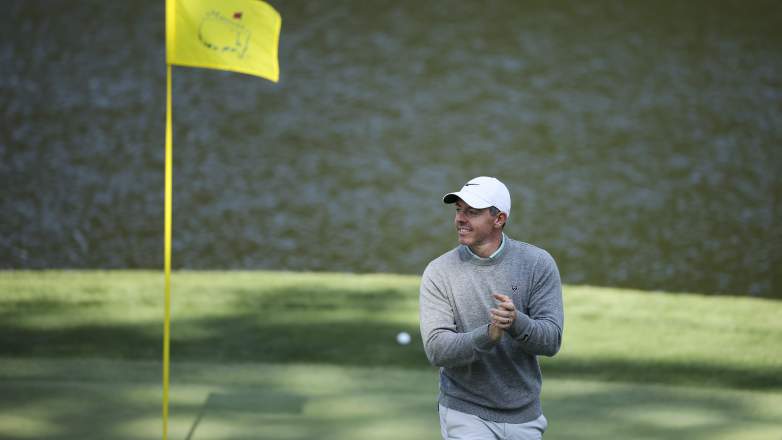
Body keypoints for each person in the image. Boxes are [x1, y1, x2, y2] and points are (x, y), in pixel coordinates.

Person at [419, 176, 564, 440]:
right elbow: (437, 349)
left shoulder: (537, 263)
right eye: (458, 210)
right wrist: (489, 335)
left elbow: (551, 340)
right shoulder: (439, 272)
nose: (461, 219)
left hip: (524, 415)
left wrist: (516, 323)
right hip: (465, 411)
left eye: (472, 212)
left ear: (499, 219)